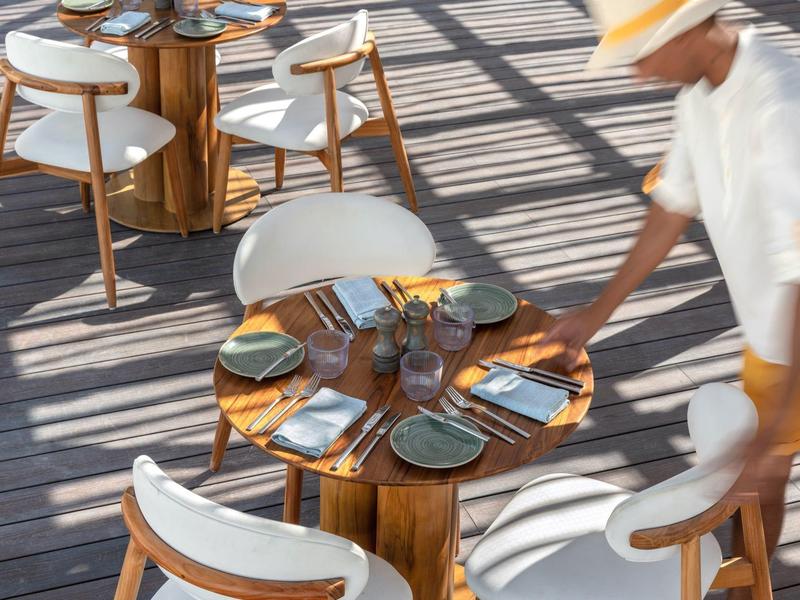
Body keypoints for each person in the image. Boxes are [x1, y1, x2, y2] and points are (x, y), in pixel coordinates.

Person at [547, 1, 800, 594]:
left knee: (758, 476)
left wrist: (766, 441)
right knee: (755, 479)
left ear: (686, 32)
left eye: (642, 55)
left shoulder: (783, 105)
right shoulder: (698, 98)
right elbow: (671, 208)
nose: (638, 74)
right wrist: (594, 316)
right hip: (772, 330)